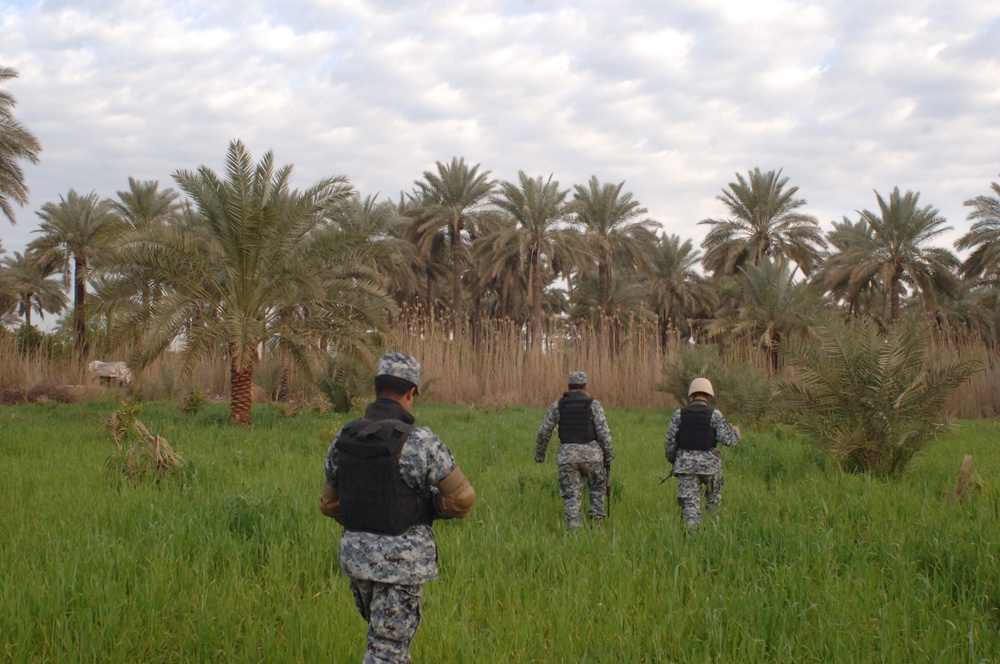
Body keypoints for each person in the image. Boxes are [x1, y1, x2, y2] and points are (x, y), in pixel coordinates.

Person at [320, 352, 476, 663]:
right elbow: (463, 498)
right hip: (400, 564)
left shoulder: (344, 437)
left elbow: (329, 503)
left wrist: (364, 519)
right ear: (411, 393)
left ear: (376, 390)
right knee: (388, 651)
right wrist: (426, 507)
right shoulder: (420, 441)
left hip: (356, 559)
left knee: (382, 641)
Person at [535, 371, 614, 530]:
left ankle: (573, 531)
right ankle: (597, 528)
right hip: (592, 457)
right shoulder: (594, 405)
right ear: (585, 386)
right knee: (597, 490)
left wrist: (540, 455)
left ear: (568, 386)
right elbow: (604, 434)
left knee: (572, 496)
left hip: (567, 458)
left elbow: (544, 432)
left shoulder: (558, 405)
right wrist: (608, 456)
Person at [663, 377, 740, 530]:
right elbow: (729, 441)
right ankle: (713, 530)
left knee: (690, 505)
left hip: (686, 466)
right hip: (710, 466)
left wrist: (675, 461)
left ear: (691, 395)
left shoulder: (679, 414)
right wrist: (736, 431)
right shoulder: (715, 414)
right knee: (713, 499)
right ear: (709, 396)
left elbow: (669, 442)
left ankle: (692, 536)